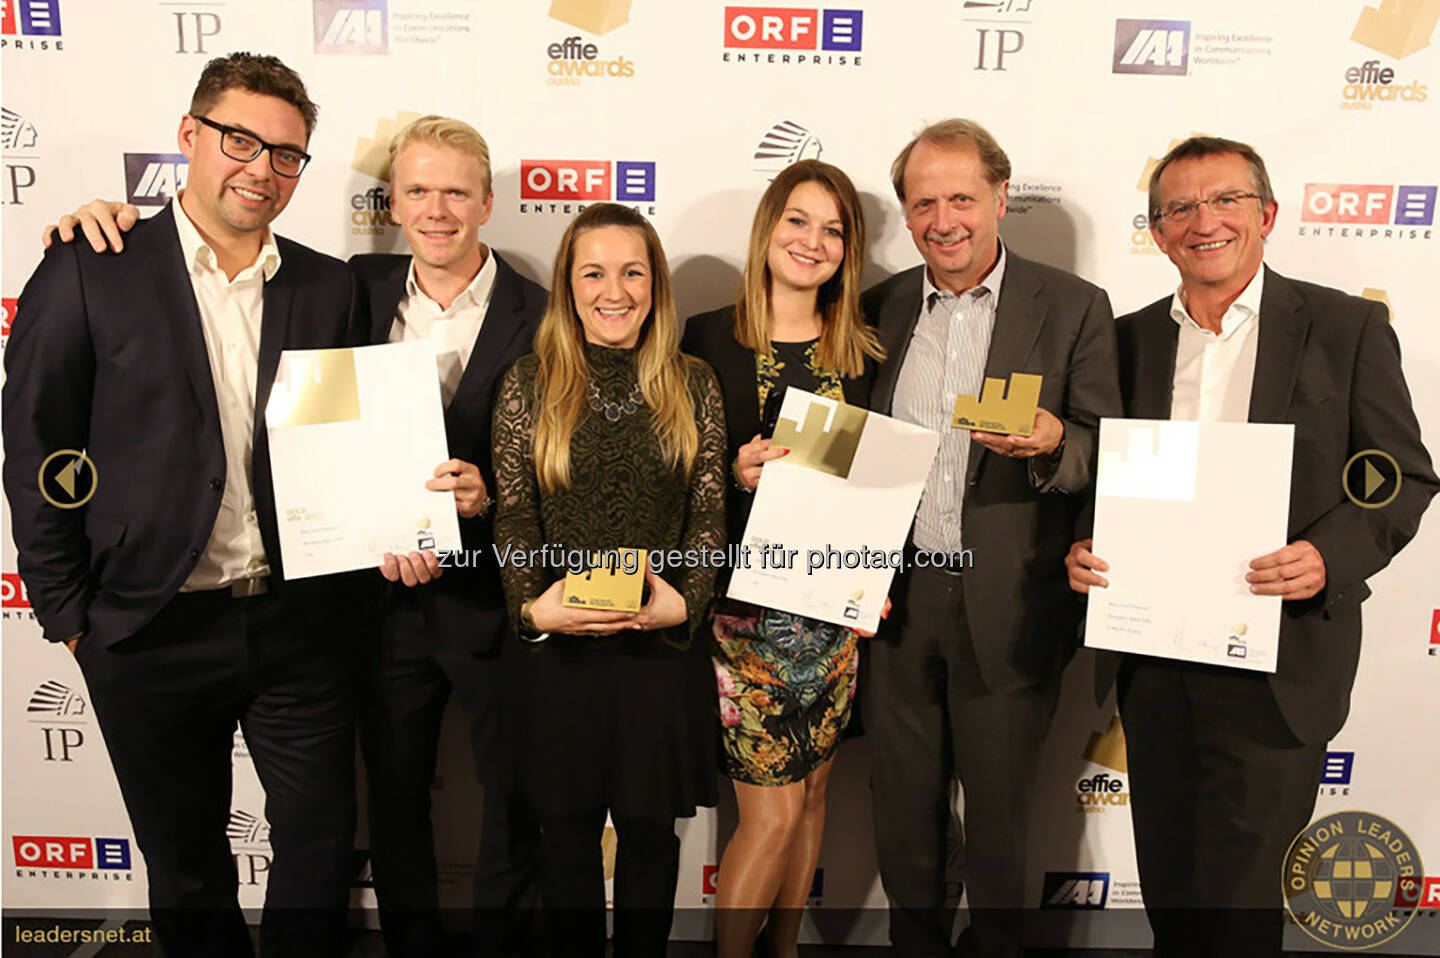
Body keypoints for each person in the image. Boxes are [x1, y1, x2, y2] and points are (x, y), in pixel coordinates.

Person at [42, 114, 548, 958]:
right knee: (386, 803)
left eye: (456, 190)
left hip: (486, 599)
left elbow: (569, 452)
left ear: (488, 201)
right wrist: (102, 217)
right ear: (393, 203)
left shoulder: (544, 309)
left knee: (508, 798)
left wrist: (492, 495)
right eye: (417, 189)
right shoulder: (351, 286)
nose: (436, 208)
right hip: (366, 601)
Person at [3, 53, 364, 957]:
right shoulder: (93, 267)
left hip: (297, 623)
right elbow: (40, 446)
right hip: (147, 626)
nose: (262, 168)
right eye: (241, 141)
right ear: (189, 138)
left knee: (318, 851)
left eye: (287, 155)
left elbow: (350, 445)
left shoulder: (327, 286)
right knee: (189, 865)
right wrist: (69, 614)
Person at [1065, 135, 1438, 958]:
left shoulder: (1346, 326)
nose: (1206, 222)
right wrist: (1083, 543)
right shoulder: (1122, 342)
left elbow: (1399, 479)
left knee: (1237, 908)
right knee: (1170, 887)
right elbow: (1095, 476)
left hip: (1282, 660)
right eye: (1181, 208)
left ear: (1266, 214)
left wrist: (1331, 556)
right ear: (1157, 233)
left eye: (1226, 200)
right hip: (1155, 662)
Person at [861, 118, 1122, 958]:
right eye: (923, 202)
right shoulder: (880, 307)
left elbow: (1107, 450)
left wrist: (1052, 443)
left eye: (962, 198)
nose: (944, 220)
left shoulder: (1073, 306)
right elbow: (850, 444)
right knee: (903, 816)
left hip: (1010, 602)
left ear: (1001, 198)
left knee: (1002, 825)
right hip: (894, 602)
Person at [490, 202, 726, 958]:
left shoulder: (693, 382)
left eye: (632, 271)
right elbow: (515, 516)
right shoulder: (528, 382)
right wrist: (533, 610)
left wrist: (681, 606)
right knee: (564, 838)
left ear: (655, 283)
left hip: (657, 654)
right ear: (568, 283)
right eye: (593, 271)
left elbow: (710, 514)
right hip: (560, 653)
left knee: (653, 837)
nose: (613, 290)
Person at [680, 159, 882, 958]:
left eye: (834, 229)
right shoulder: (701, 337)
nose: (813, 241)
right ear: (768, 226)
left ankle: (786, 948)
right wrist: (732, 475)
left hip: (832, 614)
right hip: (744, 618)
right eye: (799, 220)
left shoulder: (862, 351)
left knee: (813, 796)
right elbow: (670, 472)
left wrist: (875, 578)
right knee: (768, 811)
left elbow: (880, 483)